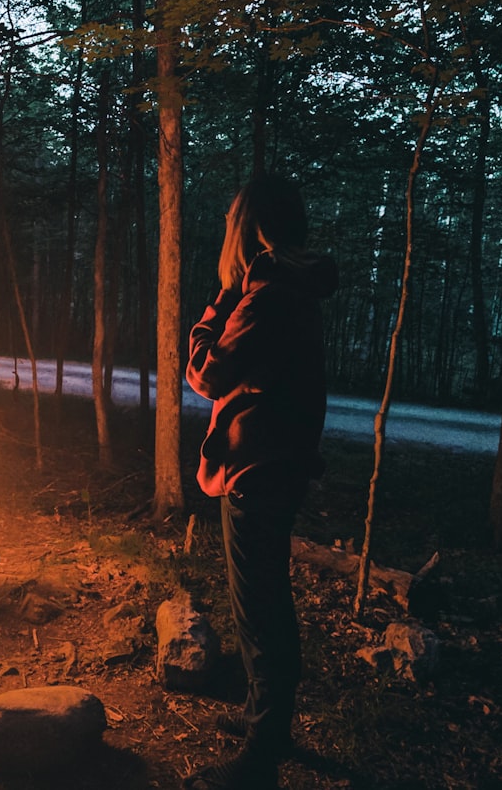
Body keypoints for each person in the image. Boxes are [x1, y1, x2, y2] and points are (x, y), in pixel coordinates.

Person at [184, 175, 338, 790]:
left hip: (259, 467)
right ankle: (262, 718)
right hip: (275, 462)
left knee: (262, 610)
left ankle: (260, 756)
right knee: (264, 601)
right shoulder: (285, 290)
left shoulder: (267, 295)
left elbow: (208, 374)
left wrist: (209, 316)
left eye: (230, 222)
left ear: (247, 229)